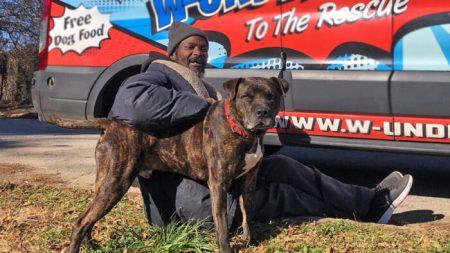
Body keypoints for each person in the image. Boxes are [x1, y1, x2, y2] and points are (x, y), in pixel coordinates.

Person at [110, 22, 413, 228]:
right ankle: (354, 211)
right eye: (191, 47)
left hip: (224, 176)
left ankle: (369, 202)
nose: (198, 53)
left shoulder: (201, 84)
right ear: (173, 51)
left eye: (203, 48)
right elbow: (130, 104)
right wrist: (207, 107)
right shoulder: (158, 75)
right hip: (189, 202)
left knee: (284, 166)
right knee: (283, 196)